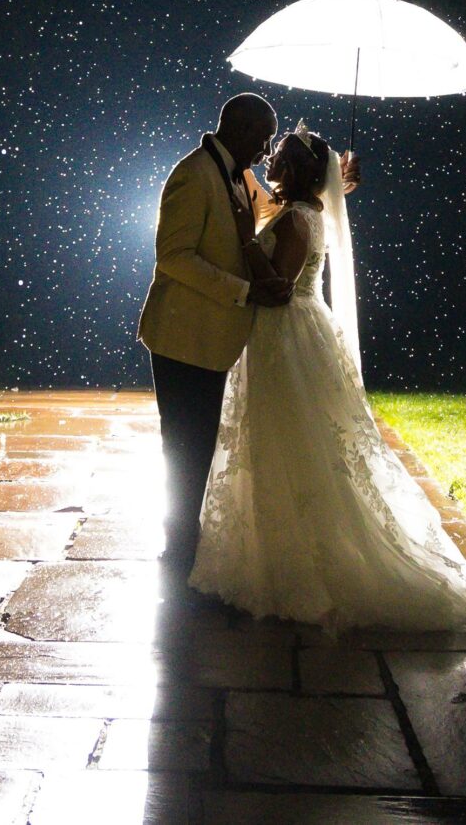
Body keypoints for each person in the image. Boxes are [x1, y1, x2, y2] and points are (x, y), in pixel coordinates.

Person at [189, 123, 466, 635]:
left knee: (288, 443)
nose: (268, 163)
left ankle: (299, 571)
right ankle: (280, 555)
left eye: (278, 158)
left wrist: (245, 245)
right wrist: (338, 183)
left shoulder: (296, 221)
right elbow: (276, 207)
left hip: (284, 334)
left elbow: (281, 287)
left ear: (291, 169)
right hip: (298, 334)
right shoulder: (309, 211)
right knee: (294, 443)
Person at [137, 93, 285, 579]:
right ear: (239, 130)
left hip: (213, 335)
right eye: (263, 140)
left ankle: (187, 541)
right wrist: (244, 291)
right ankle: (178, 548)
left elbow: (280, 211)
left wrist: (334, 185)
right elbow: (173, 257)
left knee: (200, 442)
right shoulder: (193, 173)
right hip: (182, 334)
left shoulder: (240, 174)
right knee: (184, 443)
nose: (266, 153)